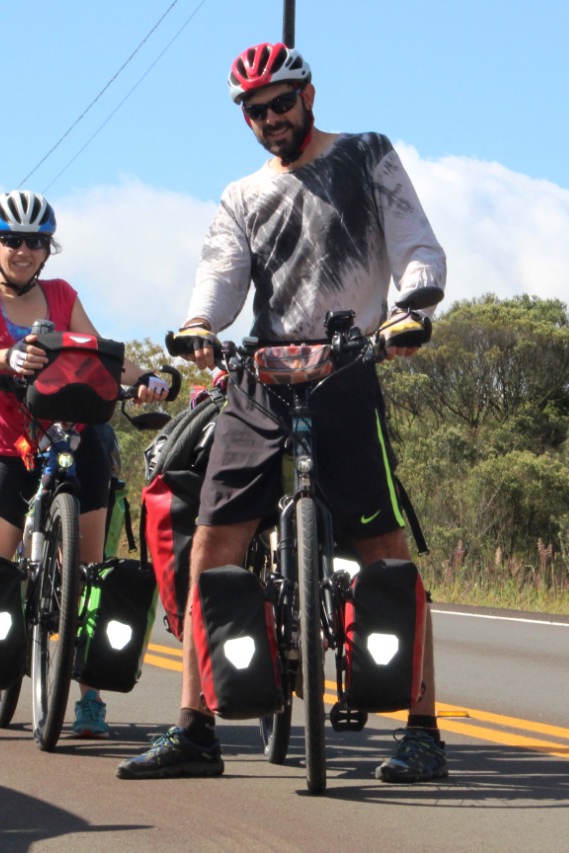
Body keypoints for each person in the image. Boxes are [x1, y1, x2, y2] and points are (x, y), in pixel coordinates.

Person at [116, 43, 448, 783]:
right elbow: (221, 275)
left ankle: (423, 729)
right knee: (211, 547)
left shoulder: (366, 155)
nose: (270, 119)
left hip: (347, 368)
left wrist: (412, 309)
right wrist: (200, 324)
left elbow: (417, 246)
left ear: (309, 96)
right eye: (254, 111)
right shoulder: (242, 195)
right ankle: (195, 725)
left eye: (280, 103)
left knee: (387, 554)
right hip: (261, 380)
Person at [0, 190, 167, 740]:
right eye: (12, 241)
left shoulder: (61, 294)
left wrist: (144, 379)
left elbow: (100, 354)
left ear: (48, 250)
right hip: (10, 453)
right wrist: (8, 357)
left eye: (36, 242)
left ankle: (90, 701)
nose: (24, 251)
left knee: (89, 575)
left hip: (79, 445)